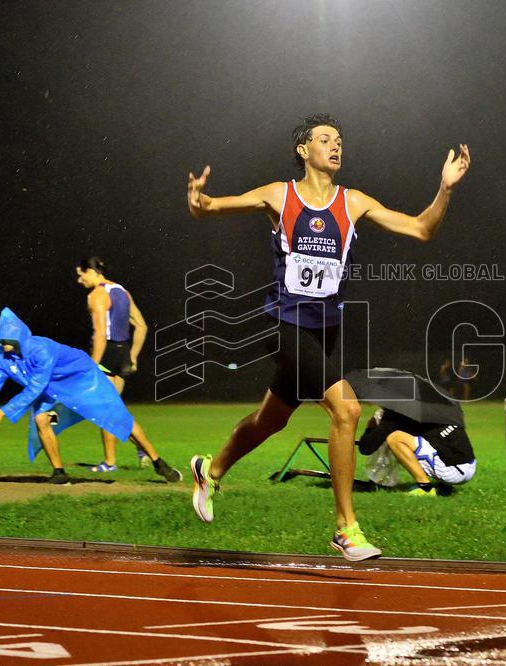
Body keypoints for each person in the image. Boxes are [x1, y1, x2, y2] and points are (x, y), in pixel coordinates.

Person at [186, 113, 470, 560]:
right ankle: (346, 528)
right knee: (347, 409)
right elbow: (210, 208)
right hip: (283, 325)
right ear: (304, 150)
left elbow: (421, 229)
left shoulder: (353, 202)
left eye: (339, 140)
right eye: (325, 139)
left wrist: (445, 190)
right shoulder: (280, 195)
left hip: (325, 333)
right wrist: (198, 198)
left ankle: (211, 467)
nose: (335, 146)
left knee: (272, 420)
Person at [0, 308, 181, 484]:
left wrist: (3, 411)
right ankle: (59, 473)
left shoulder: (40, 350)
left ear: (20, 337)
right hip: (51, 385)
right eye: (1, 341)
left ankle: (159, 463)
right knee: (41, 420)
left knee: (117, 418)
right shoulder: (2, 360)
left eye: (9, 341)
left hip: (81, 377)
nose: (4, 345)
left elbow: (35, 387)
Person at [75, 256, 152, 471]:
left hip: (107, 354)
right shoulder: (123, 291)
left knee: (105, 410)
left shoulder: (97, 295)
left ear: (91, 271)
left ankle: (110, 463)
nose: (79, 280)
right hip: (123, 353)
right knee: (114, 408)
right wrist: (133, 356)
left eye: (81, 275)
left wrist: (92, 364)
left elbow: (100, 335)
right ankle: (141, 448)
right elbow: (142, 326)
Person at [358, 408, 476, 496]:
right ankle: (442, 487)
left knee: (395, 438)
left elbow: (366, 448)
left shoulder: (396, 414)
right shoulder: (431, 406)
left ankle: (425, 487)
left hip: (454, 470)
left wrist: (370, 427)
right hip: (468, 465)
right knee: (407, 438)